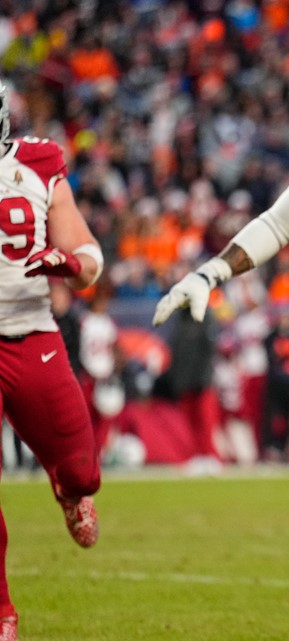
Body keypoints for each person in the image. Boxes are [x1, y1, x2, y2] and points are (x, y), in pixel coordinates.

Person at [0, 79, 103, 641]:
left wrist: (67, 261)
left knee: (84, 471)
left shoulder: (37, 165)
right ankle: (2, 613)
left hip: (29, 332)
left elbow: (91, 261)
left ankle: (67, 488)